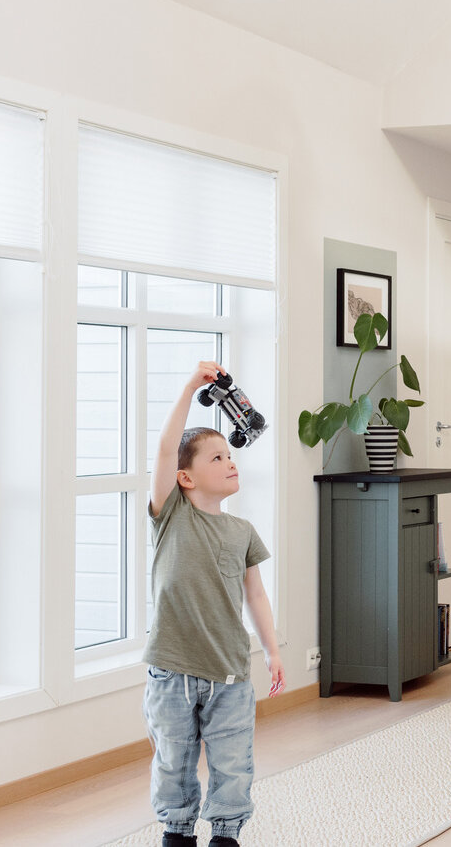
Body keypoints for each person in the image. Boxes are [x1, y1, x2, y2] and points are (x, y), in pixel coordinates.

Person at [144, 361, 284, 847]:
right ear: (184, 478)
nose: (231, 462)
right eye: (216, 458)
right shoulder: (171, 515)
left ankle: (226, 834)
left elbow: (256, 594)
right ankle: (177, 832)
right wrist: (188, 388)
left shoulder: (241, 531)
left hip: (229, 669)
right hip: (173, 668)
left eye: (231, 455)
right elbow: (166, 447)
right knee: (173, 757)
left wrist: (272, 650)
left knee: (233, 759)